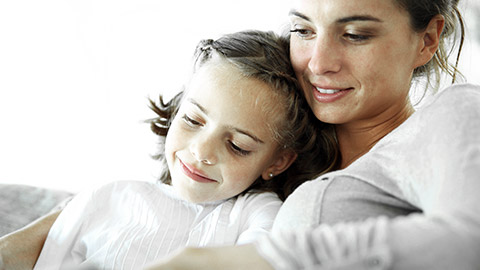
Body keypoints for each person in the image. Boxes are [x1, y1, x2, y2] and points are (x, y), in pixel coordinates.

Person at [142, 0, 480, 269]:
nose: (318, 64)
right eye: (303, 30)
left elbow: (470, 240)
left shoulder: (449, 116)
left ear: (428, 40)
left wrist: (265, 261)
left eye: (355, 35)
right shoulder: (272, 157)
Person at [29, 30, 338, 269]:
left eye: (237, 146)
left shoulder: (255, 213)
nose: (201, 150)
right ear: (178, 109)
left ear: (279, 161)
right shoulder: (107, 198)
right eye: (192, 119)